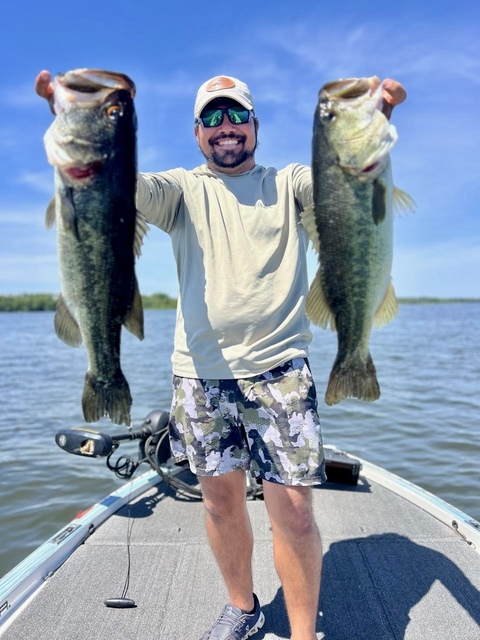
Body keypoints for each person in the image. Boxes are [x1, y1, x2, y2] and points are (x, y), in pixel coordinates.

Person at [35, 70, 406, 640]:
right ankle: (243, 606)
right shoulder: (180, 188)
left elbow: (349, 186)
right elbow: (110, 185)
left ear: (255, 125)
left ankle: (303, 635)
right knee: (219, 506)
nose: (225, 127)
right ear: (197, 133)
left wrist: (377, 119)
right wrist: (75, 122)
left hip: (282, 369)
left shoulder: (292, 182)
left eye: (236, 115)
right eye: (212, 118)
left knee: (297, 514)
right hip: (200, 376)